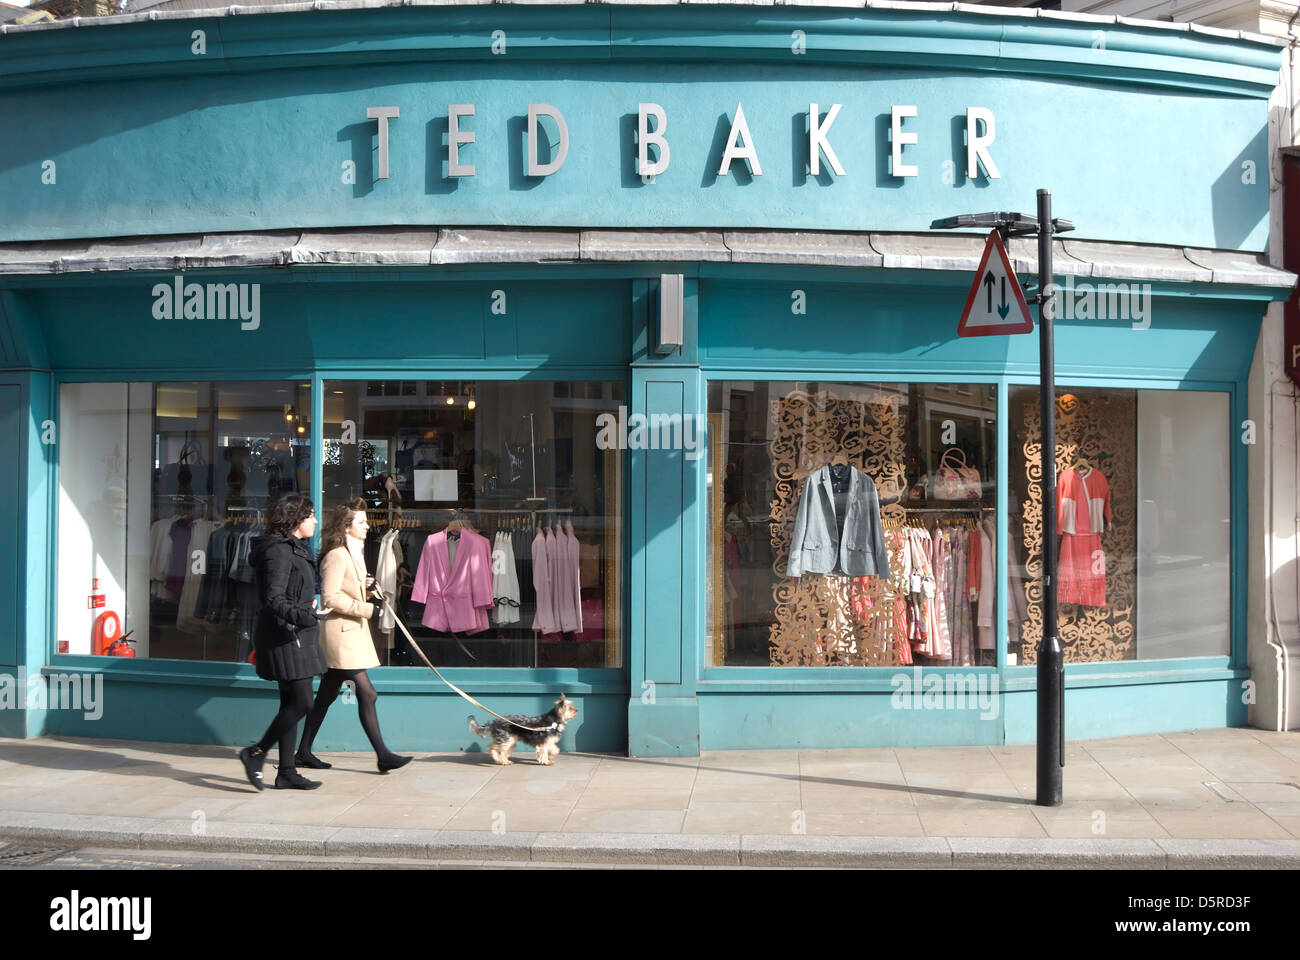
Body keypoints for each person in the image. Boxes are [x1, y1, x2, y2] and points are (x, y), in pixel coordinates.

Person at [295, 498, 412, 774]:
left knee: (326, 695)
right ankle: (383, 755)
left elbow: (349, 591)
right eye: (362, 522)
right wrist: (367, 609)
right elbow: (331, 597)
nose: (368, 526)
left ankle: (303, 751)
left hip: (349, 633)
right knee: (368, 694)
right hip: (341, 635)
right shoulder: (337, 555)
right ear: (346, 527)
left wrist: (369, 588)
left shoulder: (351, 552)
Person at [238, 493, 327, 791]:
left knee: (290, 701)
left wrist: (308, 612)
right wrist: (304, 616)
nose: (315, 520)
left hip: (295, 631)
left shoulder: (293, 548)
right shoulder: (278, 550)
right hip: (285, 634)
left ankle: (286, 772)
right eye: (311, 515)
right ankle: (256, 752)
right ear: (296, 519)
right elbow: (274, 598)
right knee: (303, 701)